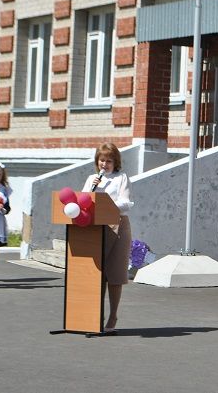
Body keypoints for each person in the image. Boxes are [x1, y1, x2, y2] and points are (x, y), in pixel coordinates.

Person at [81, 143, 134, 334]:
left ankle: (113, 315)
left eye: (109, 161)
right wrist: (92, 190)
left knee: (114, 274)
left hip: (117, 226)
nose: (105, 164)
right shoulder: (91, 179)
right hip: (95, 229)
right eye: (102, 160)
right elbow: (83, 202)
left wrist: (104, 204)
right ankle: (95, 315)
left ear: (115, 162)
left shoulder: (121, 178)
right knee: (97, 274)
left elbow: (126, 203)